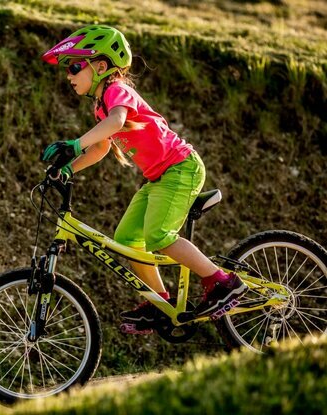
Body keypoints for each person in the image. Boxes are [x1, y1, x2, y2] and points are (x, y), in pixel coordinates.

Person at [40, 25, 248, 335]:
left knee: (158, 235)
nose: (69, 76)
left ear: (101, 66)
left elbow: (117, 122)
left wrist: (74, 144)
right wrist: (69, 168)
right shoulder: (101, 107)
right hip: (158, 178)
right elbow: (101, 148)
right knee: (127, 240)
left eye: (74, 67)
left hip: (180, 168)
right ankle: (159, 302)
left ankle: (222, 282)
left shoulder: (116, 91)